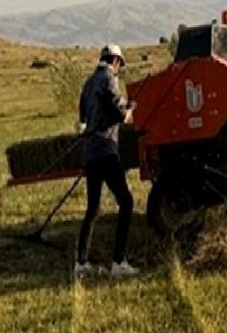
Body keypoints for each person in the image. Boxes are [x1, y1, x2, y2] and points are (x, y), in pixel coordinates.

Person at [75, 43, 138, 278]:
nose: (119, 69)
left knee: (92, 208)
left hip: (89, 151)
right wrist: (129, 110)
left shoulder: (88, 82)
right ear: (116, 61)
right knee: (126, 202)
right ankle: (119, 262)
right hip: (106, 149)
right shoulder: (108, 79)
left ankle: (81, 264)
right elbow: (117, 114)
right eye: (120, 65)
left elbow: (83, 116)